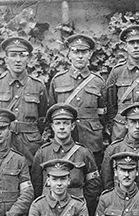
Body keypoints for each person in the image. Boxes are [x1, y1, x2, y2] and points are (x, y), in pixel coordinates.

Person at [31, 104, 101, 216]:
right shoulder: (43, 153)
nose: (62, 127)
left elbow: (94, 185)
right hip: (48, 212)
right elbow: (37, 185)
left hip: (76, 212)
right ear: (52, 126)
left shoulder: (83, 153)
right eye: (58, 123)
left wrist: (81, 205)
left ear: (72, 126)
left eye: (66, 123)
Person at [0, 36, 48, 167]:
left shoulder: (38, 86)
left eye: (22, 55)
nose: (18, 60)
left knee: (32, 183)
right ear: (6, 59)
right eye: (13, 55)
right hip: (4, 145)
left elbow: (43, 120)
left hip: (30, 147)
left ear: (29, 59)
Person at [48, 34, 108, 166]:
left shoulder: (98, 82)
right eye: (75, 52)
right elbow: (51, 113)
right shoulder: (58, 80)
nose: (80, 56)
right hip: (65, 140)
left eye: (84, 52)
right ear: (69, 54)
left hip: (91, 140)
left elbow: (103, 115)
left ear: (90, 54)